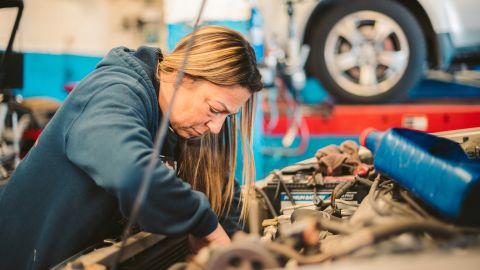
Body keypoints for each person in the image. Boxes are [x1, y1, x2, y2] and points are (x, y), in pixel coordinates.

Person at [0, 25, 262, 269]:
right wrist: (203, 221)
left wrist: (235, 248)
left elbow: (223, 192)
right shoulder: (115, 91)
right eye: (215, 110)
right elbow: (130, 171)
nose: (216, 128)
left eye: (226, 116)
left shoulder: (184, 124)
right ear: (182, 75)